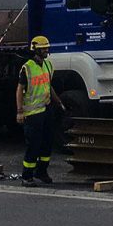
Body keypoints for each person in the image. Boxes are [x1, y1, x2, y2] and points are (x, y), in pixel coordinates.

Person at [15, 35, 65, 187]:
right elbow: (19, 90)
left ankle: (41, 172)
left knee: (47, 143)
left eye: (46, 48)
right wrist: (19, 111)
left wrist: (59, 102)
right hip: (32, 113)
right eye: (43, 48)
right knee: (33, 145)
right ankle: (27, 176)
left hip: (46, 109)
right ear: (35, 49)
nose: (45, 51)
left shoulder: (48, 66)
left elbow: (48, 86)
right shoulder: (27, 67)